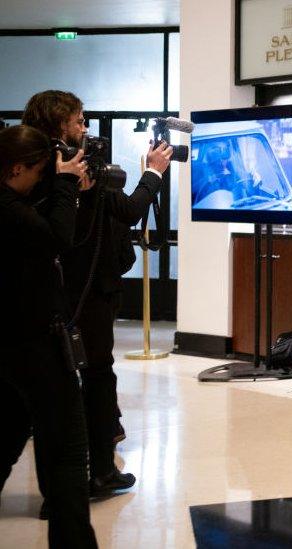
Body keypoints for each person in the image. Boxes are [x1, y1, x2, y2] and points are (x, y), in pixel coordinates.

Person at [21, 90, 173, 497]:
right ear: (59, 126)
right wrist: (154, 173)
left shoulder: (28, 177)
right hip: (87, 290)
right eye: (79, 121)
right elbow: (127, 211)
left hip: (44, 294)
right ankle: (101, 470)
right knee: (97, 374)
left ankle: (74, 479)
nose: (85, 129)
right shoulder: (67, 177)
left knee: (57, 385)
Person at [0, 124, 99, 547]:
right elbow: (58, 237)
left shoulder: (14, 203)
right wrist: (64, 185)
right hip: (33, 344)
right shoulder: (7, 208)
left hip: (10, 348)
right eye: (39, 171)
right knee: (67, 459)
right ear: (17, 167)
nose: (42, 178)